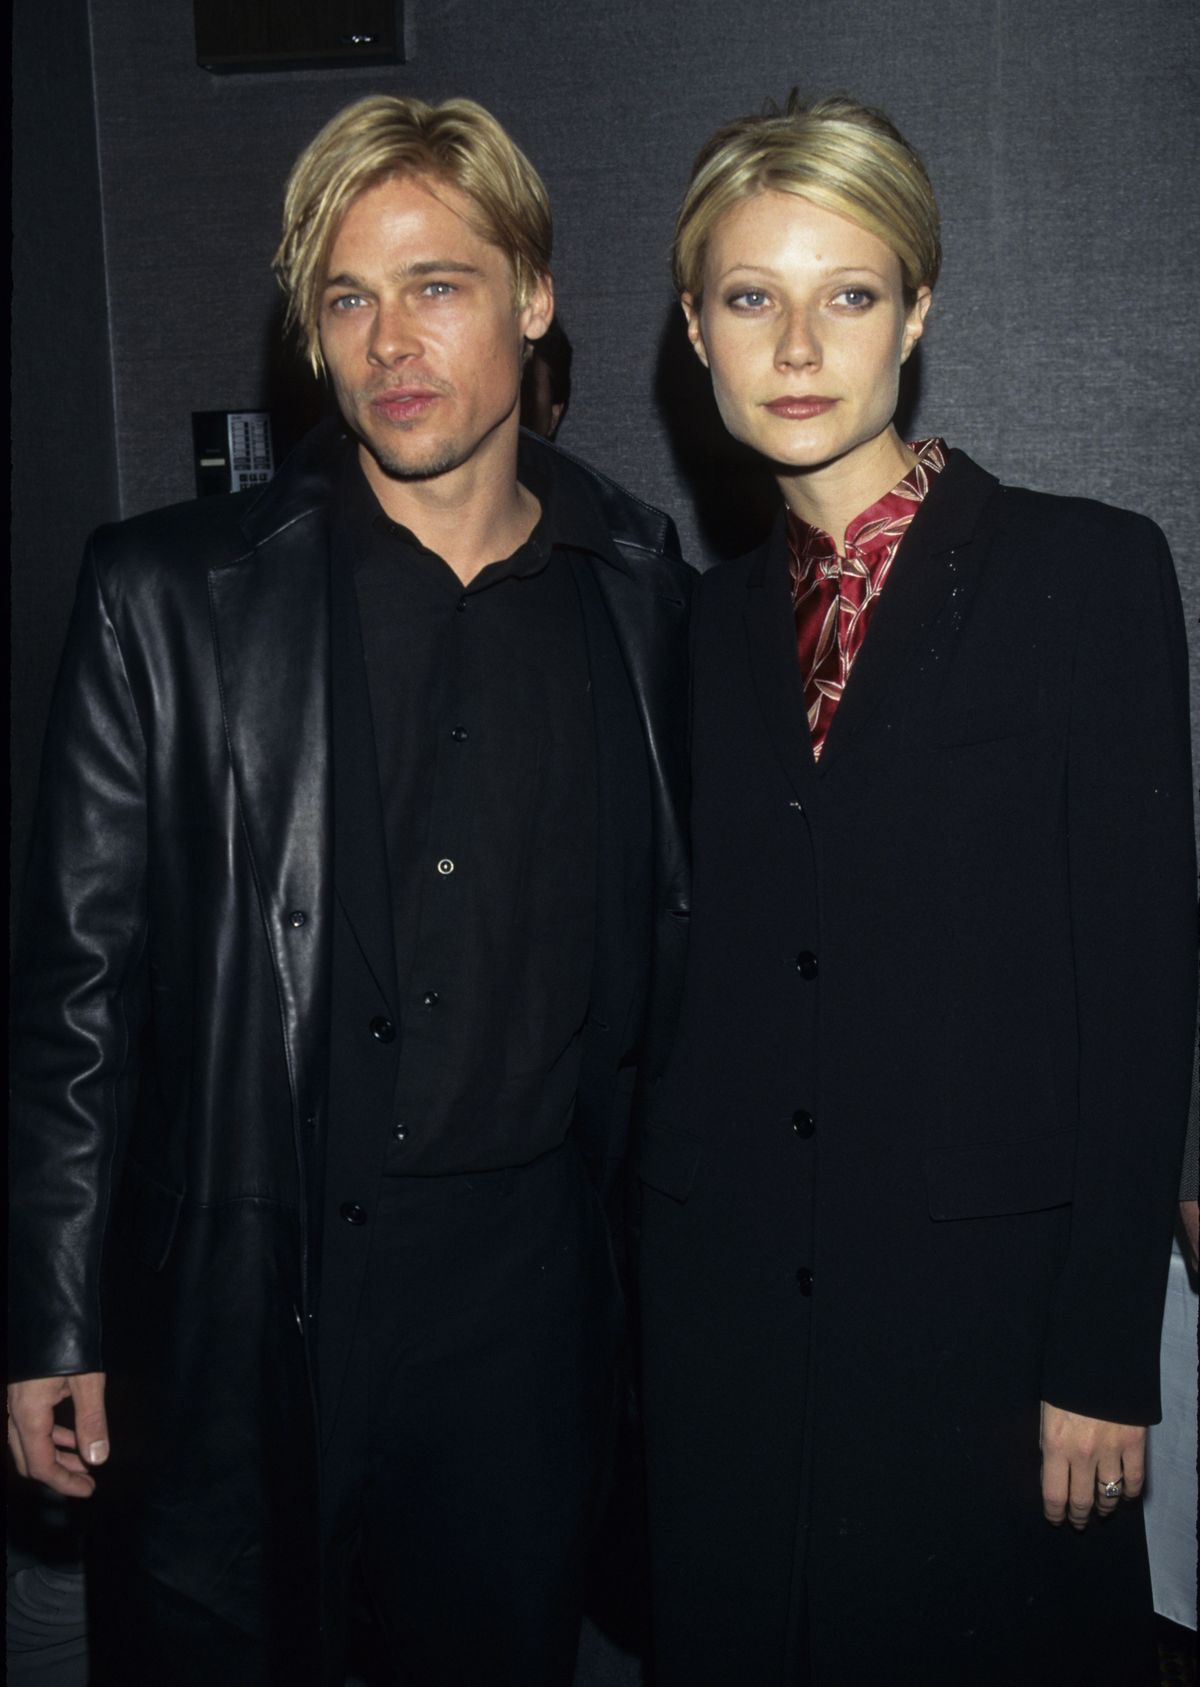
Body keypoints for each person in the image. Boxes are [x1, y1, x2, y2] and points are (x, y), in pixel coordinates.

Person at [8, 93, 692, 1686]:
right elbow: (76, 995)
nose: (391, 339)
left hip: (531, 1321)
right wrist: (51, 1312)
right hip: (249, 1306)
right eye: (346, 296)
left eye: (438, 285)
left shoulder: (651, 596)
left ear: (533, 297)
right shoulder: (166, 602)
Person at [637, 93, 1195, 1687]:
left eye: (851, 293)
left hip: (984, 1329)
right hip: (729, 1330)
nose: (799, 342)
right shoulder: (683, 630)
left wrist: (1106, 1355)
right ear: (694, 329)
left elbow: (1146, 982)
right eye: (751, 298)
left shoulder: (1087, 575)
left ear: (921, 310)